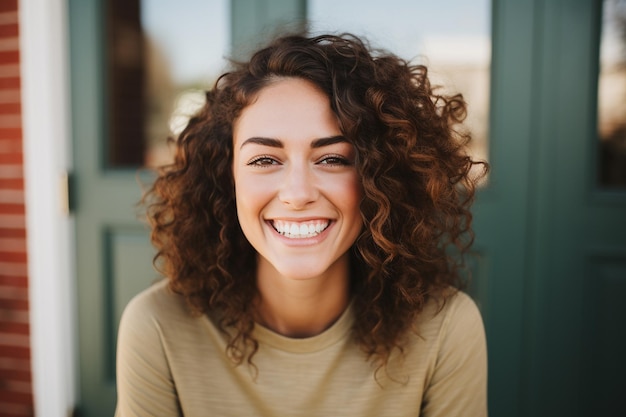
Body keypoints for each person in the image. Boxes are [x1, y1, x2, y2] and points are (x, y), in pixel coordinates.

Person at [115, 32, 488, 417]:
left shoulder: (445, 329)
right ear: (228, 178)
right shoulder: (157, 328)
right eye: (264, 160)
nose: (297, 194)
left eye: (332, 159)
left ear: (382, 179)